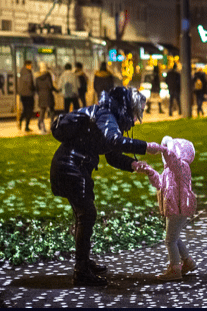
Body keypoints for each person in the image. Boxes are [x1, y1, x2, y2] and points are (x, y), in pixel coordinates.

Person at [49, 86, 164, 286]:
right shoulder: (105, 114)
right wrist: (146, 147)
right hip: (70, 167)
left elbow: (111, 154)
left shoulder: (106, 115)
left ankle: (83, 263)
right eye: (136, 114)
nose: (136, 120)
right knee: (86, 214)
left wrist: (133, 164)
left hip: (75, 166)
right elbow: (115, 140)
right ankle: (81, 270)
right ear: (127, 107)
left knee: (84, 215)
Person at [141, 136, 198, 281]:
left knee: (169, 240)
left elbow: (172, 158)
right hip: (173, 208)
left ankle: (175, 269)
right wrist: (149, 170)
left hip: (179, 208)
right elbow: (159, 183)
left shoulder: (181, 166)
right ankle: (187, 262)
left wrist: (163, 147)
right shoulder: (169, 170)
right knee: (174, 237)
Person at [36, 62, 58, 134]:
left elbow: (37, 89)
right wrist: (57, 90)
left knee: (42, 112)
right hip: (48, 96)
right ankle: (52, 125)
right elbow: (50, 86)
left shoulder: (37, 78)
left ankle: (42, 127)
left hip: (41, 97)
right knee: (51, 111)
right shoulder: (48, 76)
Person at [17, 60, 35, 132]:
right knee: (29, 110)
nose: (31, 66)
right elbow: (30, 84)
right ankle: (26, 126)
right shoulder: (28, 73)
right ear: (27, 65)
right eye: (31, 65)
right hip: (29, 94)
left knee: (25, 109)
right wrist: (35, 89)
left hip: (23, 95)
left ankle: (21, 120)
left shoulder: (22, 72)